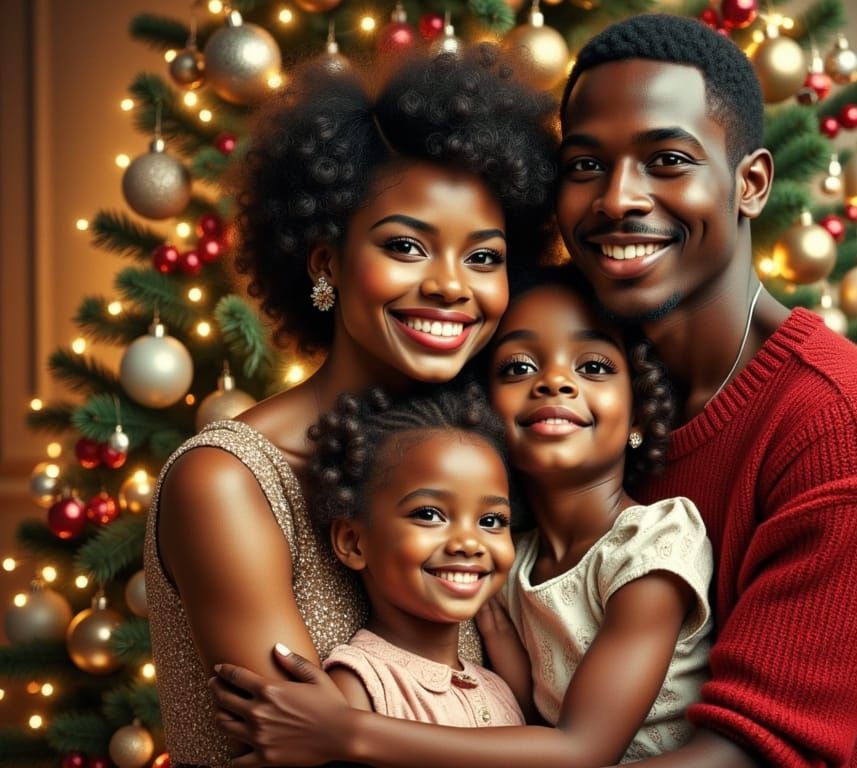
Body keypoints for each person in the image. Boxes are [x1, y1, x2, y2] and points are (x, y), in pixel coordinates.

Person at [144, 47, 557, 767]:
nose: (452, 287)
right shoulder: (228, 483)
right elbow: (307, 751)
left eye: (483, 257)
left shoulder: (480, 459)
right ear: (327, 264)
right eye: (406, 246)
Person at [554, 14, 857, 767]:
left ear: (750, 184)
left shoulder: (844, 427)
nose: (617, 199)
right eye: (585, 166)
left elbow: (746, 758)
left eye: (666, 159)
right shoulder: (575, 386)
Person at [210, 270, 715, 766]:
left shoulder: (654, 541)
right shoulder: (511, 560)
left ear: (640, 413)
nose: (556, 381)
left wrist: (343, 731)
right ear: (485, 417)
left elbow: (582, 748)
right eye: (518, 367)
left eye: (595, 367)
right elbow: (516, 715)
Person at [307, 384, 523, 728]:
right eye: (428, 514)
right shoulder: (358, 689)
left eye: (491, 520)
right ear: (353, 542)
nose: (469, 542)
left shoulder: (500, 689)